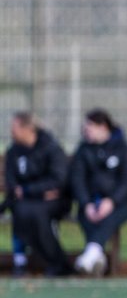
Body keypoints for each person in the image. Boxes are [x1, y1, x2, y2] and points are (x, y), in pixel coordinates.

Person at [68, 108, 127, 276]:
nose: (86, 132)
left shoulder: (123, 149)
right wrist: (86, 203)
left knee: (109, 216)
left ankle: (91, 254)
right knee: (88, 216)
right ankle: (96, 257)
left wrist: (112, 201)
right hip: (90, 202)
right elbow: (77, 179)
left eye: (89, 127)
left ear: (103, 127)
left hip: (118, 204)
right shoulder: (83, 150)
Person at [4, 111, 70, 276]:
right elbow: (11, 180)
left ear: (28, 129)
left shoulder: (51, 148)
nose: (11, 131)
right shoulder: (14, 151)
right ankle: (26, 261)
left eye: (15, 127)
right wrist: (29, 192)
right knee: (22, 210)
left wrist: (27, 191)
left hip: (53, 202)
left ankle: (55, 261)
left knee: (33, 213)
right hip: (27, 201)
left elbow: (57, 180)